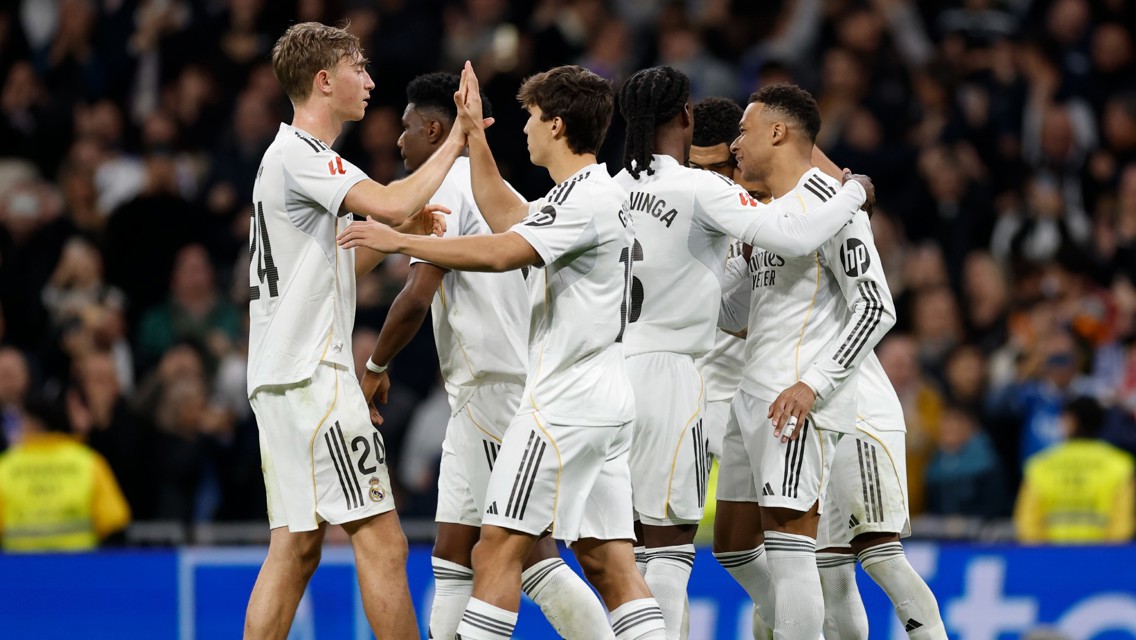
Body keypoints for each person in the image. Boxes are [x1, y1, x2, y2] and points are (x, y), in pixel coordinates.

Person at [339, 62, 668, 640]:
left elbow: (499, 251)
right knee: (609, 562)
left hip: (560, 402)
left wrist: (399, 239)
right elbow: (507, 216)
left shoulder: (582, 202)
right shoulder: (592, 194)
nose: (526, 129)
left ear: (558, 126)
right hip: (603, 395)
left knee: (498, 555)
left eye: (534, 118)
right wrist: (478, 134)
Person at [611, 67, 870, 640]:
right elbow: (798, 235)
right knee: (672, 550)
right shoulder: (702, 189)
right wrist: (854, 191)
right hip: (676, 374)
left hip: (611, 374)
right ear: (685, 118)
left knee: (619, 552)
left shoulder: (609, 187)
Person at [244, 22, 466, 640]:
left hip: (279, 375)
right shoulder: (305, 154)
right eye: (358, 69)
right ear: (324, 80)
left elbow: (332, 263)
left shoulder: (280, 160)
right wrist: (459, 140)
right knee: (383, 542)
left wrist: (401, 239)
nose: (369, 81)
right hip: (317, 375)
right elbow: (390, 204)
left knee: (295, 548)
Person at [717, 84, 888, 639]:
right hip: (751, 398)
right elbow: (738, 315)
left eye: (743, 131)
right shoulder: (770, 216)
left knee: (793, 552)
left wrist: (813, 385)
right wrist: (738, 263)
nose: (734, 144)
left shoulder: (832, 205)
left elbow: (876, 307)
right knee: (733, 545)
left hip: (797, 404)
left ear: (777, 131)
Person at [815, 361, 948, 639]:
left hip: (857, 416)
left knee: (880, 556)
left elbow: (878, 316)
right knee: (830, 571)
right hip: (813, 428)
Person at [0, 396, 130, 551]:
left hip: (16, 569)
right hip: (81, 568)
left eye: (21, 421)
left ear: (35, 424)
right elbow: (113, 523)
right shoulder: (88, 462)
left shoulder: (5, 466)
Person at [1014, 396, 1135, 543]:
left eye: (1064, 418)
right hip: (1103, 559)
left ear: (1072, 421)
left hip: (1050, 559)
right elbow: (1123, 526)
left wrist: (1042, 556)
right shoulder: (1120, 465)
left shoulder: (1040, 465)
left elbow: (1027, 525)